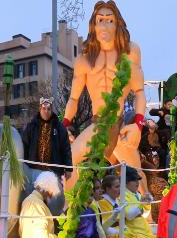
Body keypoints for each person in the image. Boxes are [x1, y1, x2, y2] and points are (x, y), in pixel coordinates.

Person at [63, 0, 147, 194]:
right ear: (93, 24)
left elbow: (139, 92)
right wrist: (65, 124)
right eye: (100, 19)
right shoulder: (84, 59)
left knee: (139, 183)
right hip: (97, 124)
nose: (104, 25)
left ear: (117, 23)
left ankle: (147, 216)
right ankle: (66, 214)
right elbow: (73, 99)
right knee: (69, 165)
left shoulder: (130, 52)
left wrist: (138, 125)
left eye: (110, 20)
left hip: (120, 127)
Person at [19, 171, 98, 238]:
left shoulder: (37, 202)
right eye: (51, 192)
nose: (51, 195)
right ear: (47, 190)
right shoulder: (34, 204)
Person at [22, 97, 72, 180]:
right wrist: (23, 166)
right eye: (44, 109)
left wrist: (68, 168)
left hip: (54, 171)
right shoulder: (31, 126)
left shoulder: (59, 127)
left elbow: (66, 148)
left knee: (54, 192)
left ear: (51, 110)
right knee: (35, 192)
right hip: (34, 171)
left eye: (48, 109)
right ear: (40, 109)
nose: (46, 111)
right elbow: (25, 146)